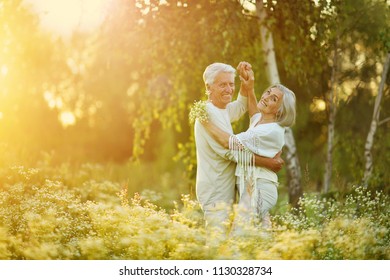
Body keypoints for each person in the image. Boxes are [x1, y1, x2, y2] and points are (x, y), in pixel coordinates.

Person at [201, 64, 296, 234]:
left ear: (280, 110)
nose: (266, 97)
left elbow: (229, 144)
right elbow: (253, 113)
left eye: (274, 99)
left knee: (240, 238)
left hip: (259, 188)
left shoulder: (269, 130)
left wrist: (205, 122)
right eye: (268, 92)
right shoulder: (261, 121)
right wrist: (249, 87)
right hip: (250, 187)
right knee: (258, 237)